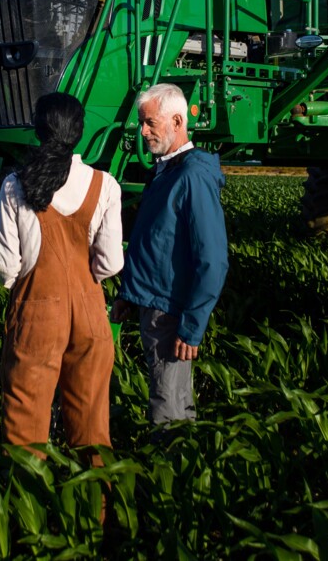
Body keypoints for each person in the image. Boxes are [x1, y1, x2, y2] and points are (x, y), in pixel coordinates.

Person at [0, 92, 123, 462]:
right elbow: (112, 263)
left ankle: (28, 513)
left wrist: (25, 290)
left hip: (36, 316)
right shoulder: (105, 185)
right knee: (92, 430)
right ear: (79, 132)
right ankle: (93, 515)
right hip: (90, 315)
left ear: (38, 131)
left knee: (24, 431)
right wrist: (85, 285)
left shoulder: (16, 185)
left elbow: (6, 264)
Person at [113, 83, 228, 429]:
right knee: (168, 395)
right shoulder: (166, 171)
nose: (143, 131)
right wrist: (128, 296)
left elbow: (213, 259)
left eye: (150, 123)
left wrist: (192, 326)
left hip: (169, 312)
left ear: (178, 122)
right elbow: (157, 243)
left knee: (168, 406)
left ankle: (169, 472)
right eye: (141, 123)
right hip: (151, 301)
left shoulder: (191, 176)